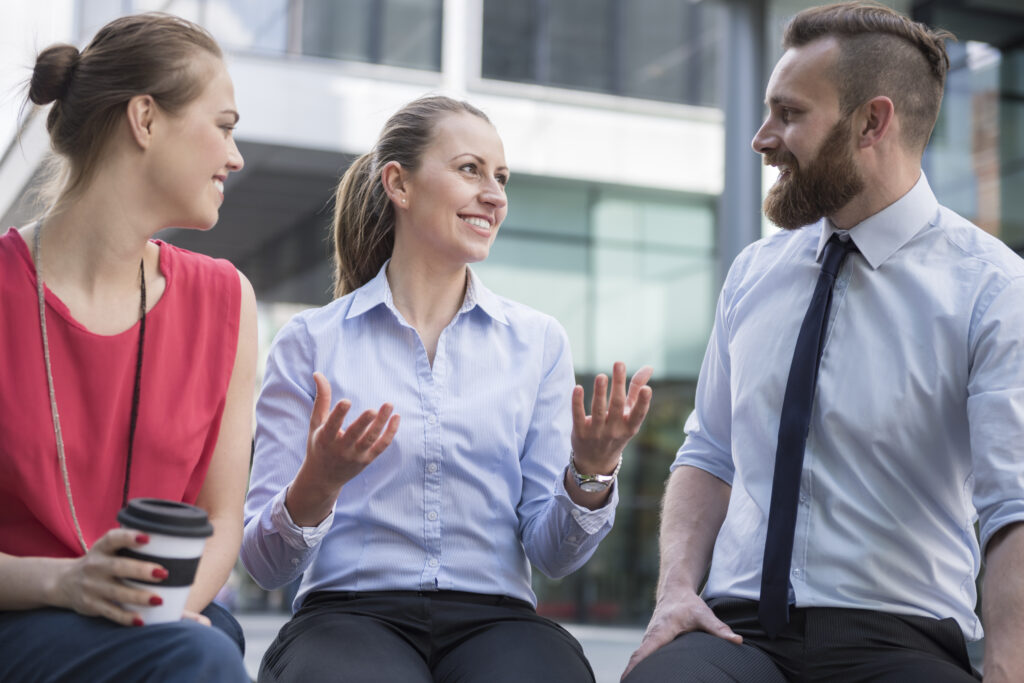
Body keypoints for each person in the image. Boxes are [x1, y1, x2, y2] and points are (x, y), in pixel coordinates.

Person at [623, 2, 1024, 682]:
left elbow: (1013, 506)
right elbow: (708, 452)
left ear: (872, 121)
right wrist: (675, 593)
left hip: (899, 636)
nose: (762, 137)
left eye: (789, 113)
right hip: (736, 627)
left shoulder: (994, 288)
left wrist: (1010, 667)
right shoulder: (754, 272)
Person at [242, 95, 653, 683]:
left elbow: (553, 556)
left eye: (502, 177)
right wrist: (319, 482)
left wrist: (593, 472)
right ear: (399, 185)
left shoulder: (538, 342)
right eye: (470, 169)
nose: (495, 195)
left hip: (498, 620)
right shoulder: (310, 341)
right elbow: (266, 567)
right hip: (348, 616)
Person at [0, 13, 255, 683]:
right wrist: (66, 583)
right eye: (224, 125)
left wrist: (157, 610)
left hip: (168, 623)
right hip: (17, 615)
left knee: (203, 647)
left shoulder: (228, 301)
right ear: (145, 118)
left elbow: (223, 517)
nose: (236, 156)